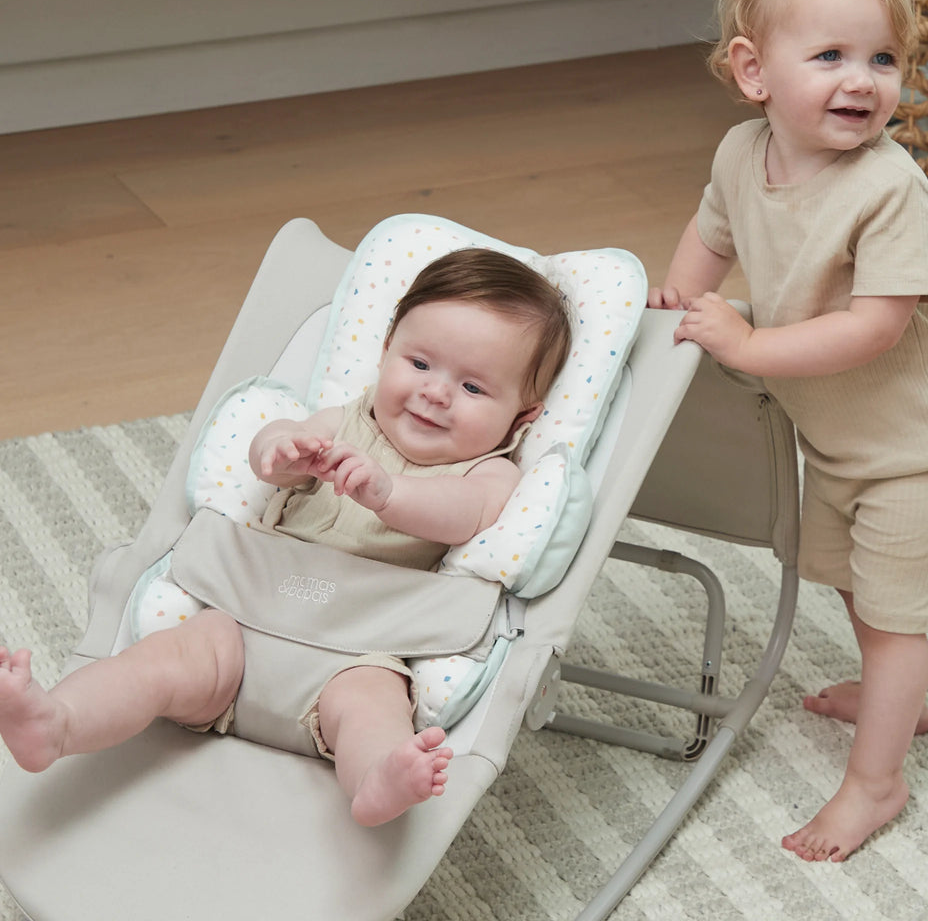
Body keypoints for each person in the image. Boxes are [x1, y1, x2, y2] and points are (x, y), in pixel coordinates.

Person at [649, 0, 928, 862]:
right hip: (840, 443)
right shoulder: (740, 153)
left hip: (926, 450)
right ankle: (903, 705)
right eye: (831, 55)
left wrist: (751, 343)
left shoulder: (892, 191)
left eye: (884, 58)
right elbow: (710, 239)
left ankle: (876, 781)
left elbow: (874, 327)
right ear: (753, 71)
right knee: (852, 583)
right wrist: (674, 304)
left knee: (895, 620)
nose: (864, 79)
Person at [0, 247, 573, 827]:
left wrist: (388, 494)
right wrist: (277, 451)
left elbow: (462, 513)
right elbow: (277, 450)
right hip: (243, 623)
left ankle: (378, 779)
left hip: (359, 650)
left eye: (473, 388)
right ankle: (57, 721)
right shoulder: (343, 423)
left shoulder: (491, 473)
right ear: (385, 353)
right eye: (420, 364)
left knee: (373, 709)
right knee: (161, 662)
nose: (436, 393)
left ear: (523, 418)